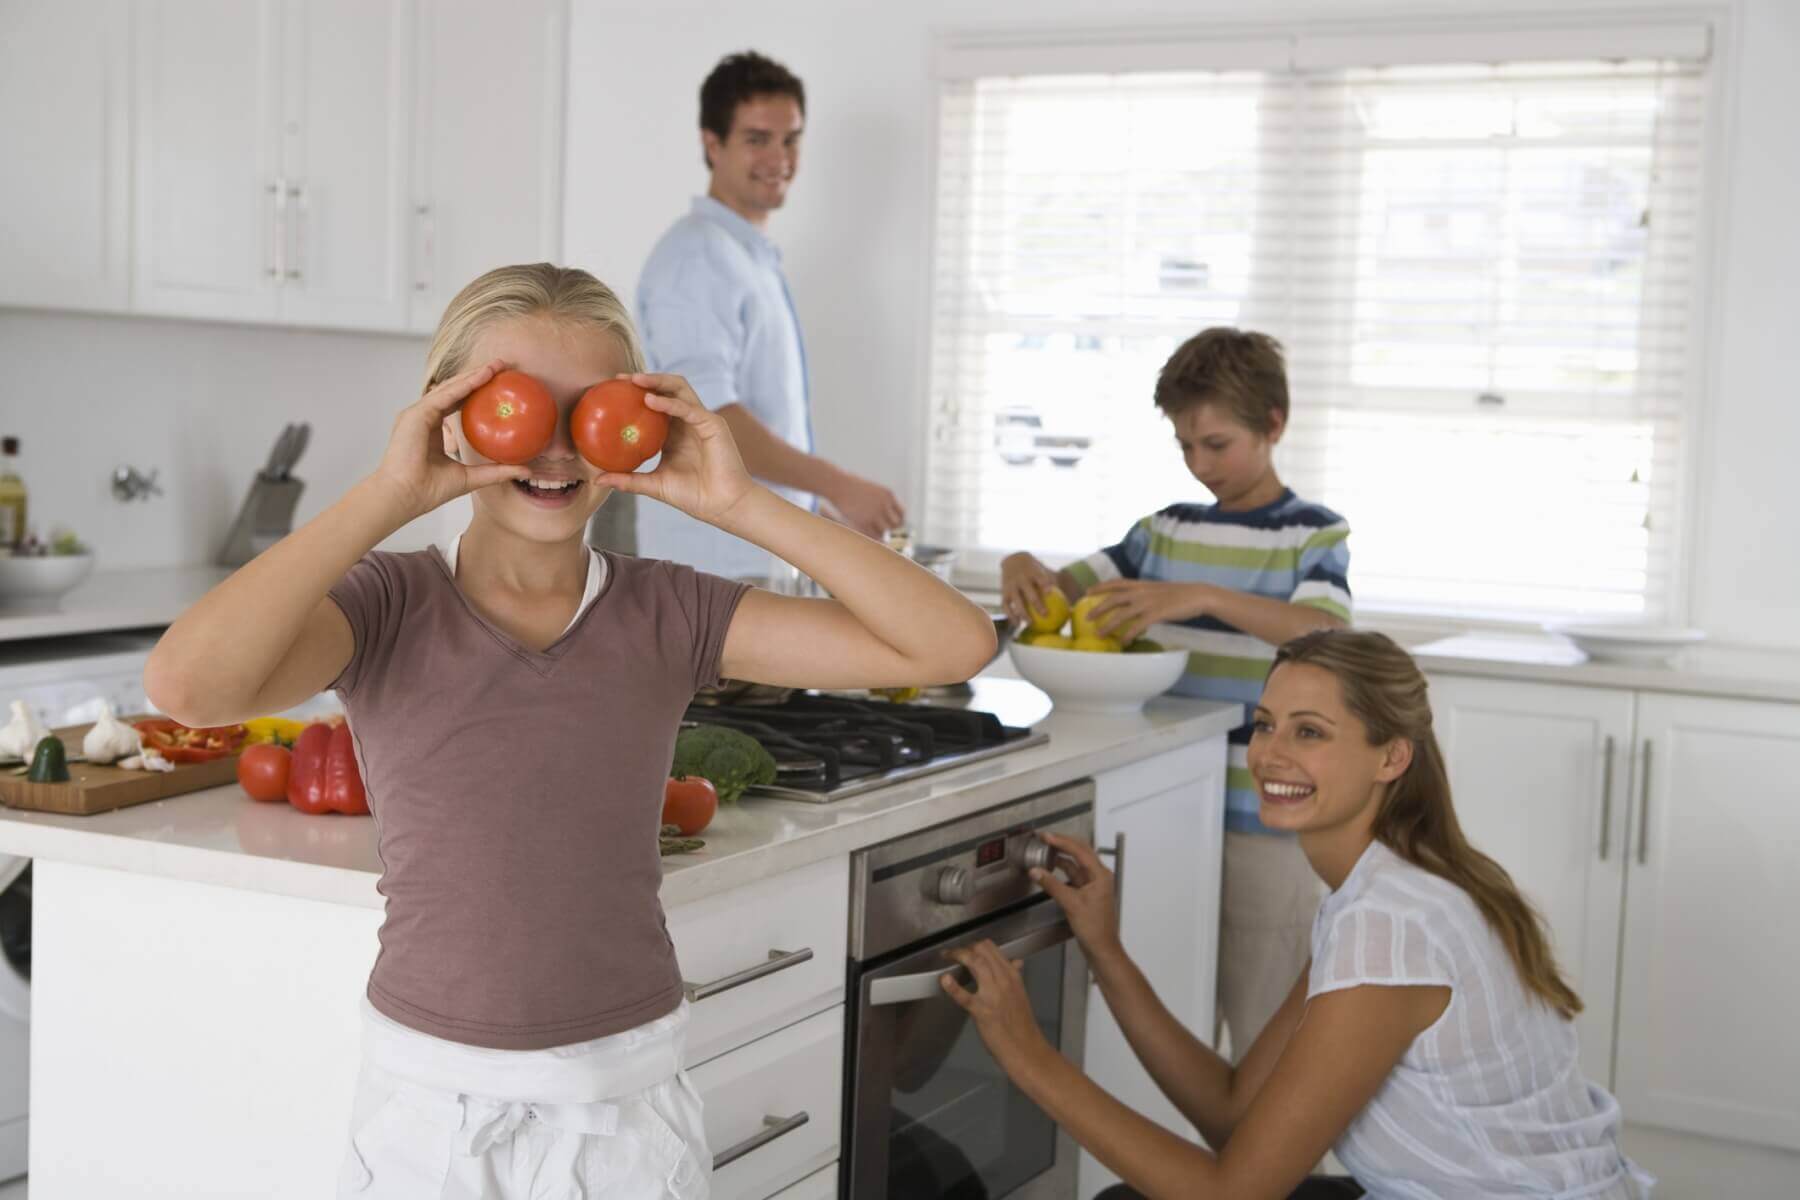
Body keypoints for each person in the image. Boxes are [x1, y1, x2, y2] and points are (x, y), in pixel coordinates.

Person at [143, 263, 996, 1197]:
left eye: (588, 413)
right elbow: (186, 687)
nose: (550, 450)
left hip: (622, 1099)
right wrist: (390, 493)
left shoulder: (668, 611)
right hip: (430, 1102)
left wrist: (742, 504)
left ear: (638, 424)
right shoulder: (386, 604)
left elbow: (951, 645)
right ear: (450, 415)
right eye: (516, 408)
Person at [940, 629, 1655, 1199]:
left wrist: (1027, 1057)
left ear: (1391, 757)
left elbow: (1231, 1194)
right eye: (1266, 725)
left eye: (1310, 733)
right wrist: (1106, 948)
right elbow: (1231, 1111)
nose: (1270, 754)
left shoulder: (1389, 925)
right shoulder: (1384, 889)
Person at [1000, 328, 1350, 1059]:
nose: (1199, 465)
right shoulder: (1161, 531)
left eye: (1216, 445)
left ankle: (1285, 1174)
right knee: (1171, 1015)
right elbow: (1063, 591)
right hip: (1165, 809)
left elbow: (1321, 628)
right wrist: (1022, 565)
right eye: (1185, 446)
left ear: (1273, 424)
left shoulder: (1310, 534)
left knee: (1269, 1035)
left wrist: (1197, 597)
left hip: (1266, 820)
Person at [632, 50, 905, 579]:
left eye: (791, 139)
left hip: (756, 564)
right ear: (712, 144)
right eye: (757, 139)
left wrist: (815, 513)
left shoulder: (745, 257)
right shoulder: (698, 258)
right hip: (714, 572)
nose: (779, 158)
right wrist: (839, 485)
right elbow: (713, 423)